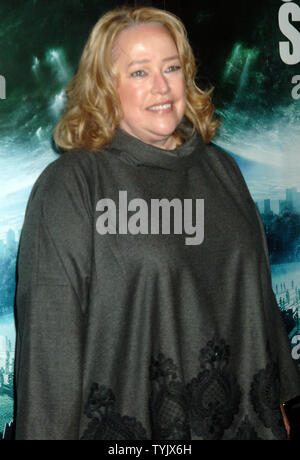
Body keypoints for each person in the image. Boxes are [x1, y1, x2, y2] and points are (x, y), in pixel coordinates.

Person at [14, 6, 300, 440]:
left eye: (171, 67)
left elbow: (257, 298)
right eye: (139, 72)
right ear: (106, 87)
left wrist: (277, 408)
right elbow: (49, 346)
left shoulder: (221, 169)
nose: (162, 86)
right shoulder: (73, 185)